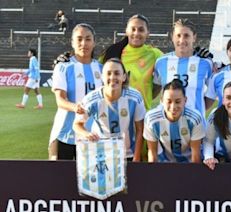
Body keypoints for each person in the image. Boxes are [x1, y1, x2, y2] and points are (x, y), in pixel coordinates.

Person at [73, 58, 146, 161]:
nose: (112, 77)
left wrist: (136, 158)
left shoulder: (135, 98)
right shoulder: (92, 99)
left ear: (124, 77)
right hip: (101, 155)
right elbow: (76, 125)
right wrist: (87, 134)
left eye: (117, 73)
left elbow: (140, 130)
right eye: (108, 73)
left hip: (127, 154)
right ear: (102, 77)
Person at [49, 23, 103, 160]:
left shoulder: (102, 69)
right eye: (79, 39)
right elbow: (60, 100)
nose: (83, 43)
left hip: (92, 135)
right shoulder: (63, 67)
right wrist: (75, 107)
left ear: (94, 42)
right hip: (64, 133)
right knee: (59, 179)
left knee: (89, 180)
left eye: (88, 39)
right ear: (72, 42)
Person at [100, 14, 163, 111]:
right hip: (116, 113)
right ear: (126, 31)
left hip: (142, 113)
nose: (136, 33)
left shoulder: (155, 54)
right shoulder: (113, 52)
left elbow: (159, 83)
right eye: (133, 29)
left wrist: (146, 95)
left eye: (141, 30)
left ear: (148, 33)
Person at [153, 18, 213, 117]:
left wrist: (198, 110)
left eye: (186, 36)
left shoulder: (206, 63)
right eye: (178, 35)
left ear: (194, 37)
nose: (182, 40)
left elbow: (212, 93)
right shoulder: (161, 62)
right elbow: (155, 89)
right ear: (172, 37)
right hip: (167, 123)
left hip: (196, 125)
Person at [143, 79, 205, 164]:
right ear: (161, 100)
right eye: (169, 102)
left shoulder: (194, 118)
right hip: (164, 164)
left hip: (189, 163)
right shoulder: (151, 119)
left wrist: (193, 175)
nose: (173, 107)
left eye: (178, 102)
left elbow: (195, 155)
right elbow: (152, 153)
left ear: (185, 100)